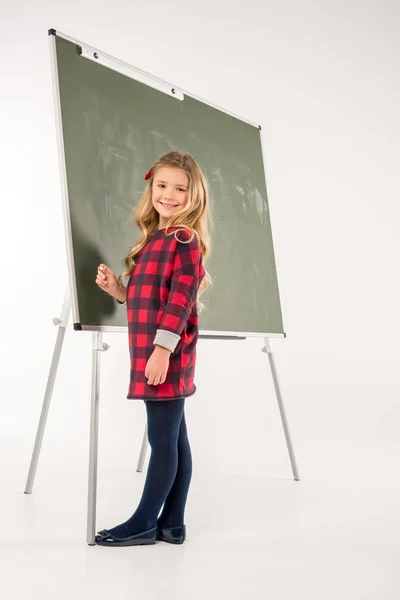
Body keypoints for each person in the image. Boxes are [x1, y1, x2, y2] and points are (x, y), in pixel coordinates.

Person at [94, 151, 213, 547]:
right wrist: (118, 291)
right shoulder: (153, 241)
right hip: (157, 350)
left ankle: (144, 522)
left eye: (180, 189)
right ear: (151, 188)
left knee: (162, 439)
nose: (169, 195)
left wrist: (161, 351)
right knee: (175, 437)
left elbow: (180, 300)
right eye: (162, 186)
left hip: (166, 352)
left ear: (192, 195)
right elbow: (150, 297)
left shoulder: (184, 239)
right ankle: (172, 523)